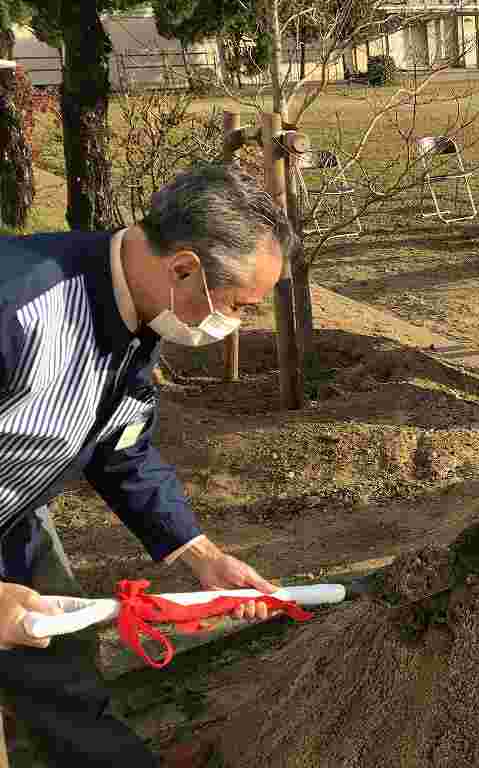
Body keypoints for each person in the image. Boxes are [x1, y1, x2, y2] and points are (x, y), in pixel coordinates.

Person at [0, 162, 295, 767]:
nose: (237, 323)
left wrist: (203, 557)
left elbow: (120, 446)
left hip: (14, 515)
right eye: (239, 306)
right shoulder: (19, 308)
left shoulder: (137, 317)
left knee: (63, 681)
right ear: (184, 268)